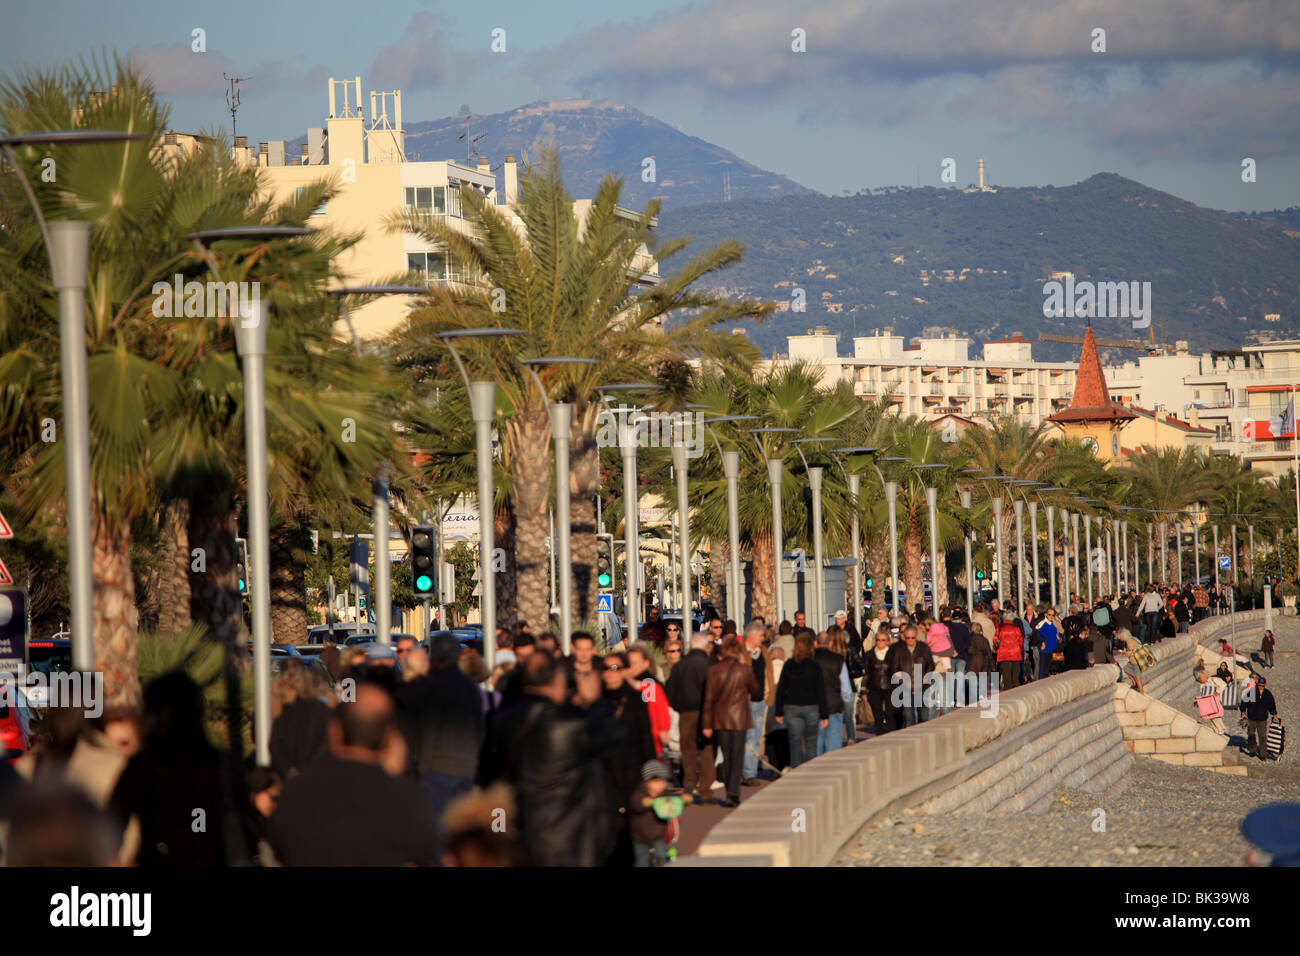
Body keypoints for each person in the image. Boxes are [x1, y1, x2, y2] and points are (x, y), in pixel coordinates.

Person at [269, 681, 436, 866]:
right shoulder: (406, 799)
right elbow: (422, 852)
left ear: (334, 732)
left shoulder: (297, 793)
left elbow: (279, 845)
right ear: (390, 738)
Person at [478, 653, 621, 866]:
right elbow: (614, 737)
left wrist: (498, 828)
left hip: (521, 833)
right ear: (557, 680)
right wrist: (595, 702)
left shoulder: (501, 721)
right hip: (568, 837)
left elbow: (490, 778)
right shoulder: (569, 723)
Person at [109, 673, 255, 867]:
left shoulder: (144, 768)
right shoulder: (223, 766)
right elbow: (250, 827)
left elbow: (109, 827)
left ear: (162, 714)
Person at [394, 633, 486, 850]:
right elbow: (479, 728)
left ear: (434, 657)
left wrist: (423, 767)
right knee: (461, 832)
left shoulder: (434, 687)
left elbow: (429, 730)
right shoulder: (469, 687)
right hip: (465, 768)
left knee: (438, 833)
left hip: (438, 770)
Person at [702, 636, 759, 807]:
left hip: (720, 718)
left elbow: (708, 699)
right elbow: (755, 690)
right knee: (737, 755)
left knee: (726, 755)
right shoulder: (744, 669)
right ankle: (733, 792)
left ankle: (729, 788)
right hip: (740, 717)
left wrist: (706, 724)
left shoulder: (714, 670)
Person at [665, 633, 715, 800]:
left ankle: (689, 783)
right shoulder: (708, 665)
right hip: (705, 712)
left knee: (688, 749)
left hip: (685, 713)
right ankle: (706, 789)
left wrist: (678, 707)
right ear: (705, 647)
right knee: (706, 749)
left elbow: (669, 692)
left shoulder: (680, 666)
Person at [270, 659, 333, 782]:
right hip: (315, 777)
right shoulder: (324, 711)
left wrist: (289, 771)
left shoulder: (284, 711)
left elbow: (275, 745)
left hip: (291, 777)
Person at [773, 632, 828, 767]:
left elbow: (781, 688)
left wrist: (778, 710)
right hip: (811, 706)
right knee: (810, 742)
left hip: (791, 706)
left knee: (795, 741)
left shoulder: (789, 665)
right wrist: (824, 714)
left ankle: (796, 767)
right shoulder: (814, 666)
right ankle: (809, 769)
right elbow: (821, 690)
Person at [741, 623, 773, 785]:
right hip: (745, 702)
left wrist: (769, 694)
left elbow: (769, 674)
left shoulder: (764, 652)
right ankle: (747, 774)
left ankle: (750, 772)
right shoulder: (740, 654)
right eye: (761, 636)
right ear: (751, 636)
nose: (763, 638)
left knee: (756, 738)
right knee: (748, 737)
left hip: (761, 700)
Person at [886, 624, 935, 726]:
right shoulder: (899, 650)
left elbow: (930, 666)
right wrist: (901, 681)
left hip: (922, 687)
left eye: (912, 638)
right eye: (907, 638)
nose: (910, 640)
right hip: (906, 687)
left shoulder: (923, 648)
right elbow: (894, 667)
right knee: (909, 717)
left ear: (916, 637)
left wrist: (925, 681)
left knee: (923, 716)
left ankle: (922, 737)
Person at [628, 760, 672, 867]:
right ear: (647, 783)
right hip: (640, 836)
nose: (660, 785)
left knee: (662, 856)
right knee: (642, 861)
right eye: (656, 782)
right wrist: (646, 802)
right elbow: (636, 804)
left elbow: (673, 803)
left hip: (657, 834)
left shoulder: (664, 794)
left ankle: (661, 863)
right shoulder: (640, 793)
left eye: (663, 782)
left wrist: (680, 801)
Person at [813, 628, 849, 754]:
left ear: (815, 643)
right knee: (833, 747)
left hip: (814, 706)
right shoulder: (838, 659)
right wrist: (845, 700)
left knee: (815, 745)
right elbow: (845, 686)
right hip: (834, 705)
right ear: (830, 644)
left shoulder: (810, 659)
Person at [861, 628, 895, 734]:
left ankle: (891, 733)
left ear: (888, 641)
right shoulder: (870, 655)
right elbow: (866, 672)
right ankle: (880, 734)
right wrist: (863, 689)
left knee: (890, 713)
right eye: (878, 640)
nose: (880, 642)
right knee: (877, 714)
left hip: (890, 687)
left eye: (883, 640)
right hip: (874, 687)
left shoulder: (892, 654)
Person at [1241, 675, 1279, 761]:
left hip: (1262, 719)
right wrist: (1243, 712)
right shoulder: (1251, 692)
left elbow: (1272, 705)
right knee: (1251, 735)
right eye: (1259, 685)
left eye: (1262, 685)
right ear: (1257, 684)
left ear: (1265, 685)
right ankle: (1252, 750)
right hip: (1251, 718)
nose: (1261, 687)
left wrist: (1274, 714)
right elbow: (1244, 702)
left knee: (1262, 737)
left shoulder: (1268, 694)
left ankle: (1263, 754)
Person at [994, 614, 1023, 692]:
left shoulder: (999, 629)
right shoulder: (1016, 628)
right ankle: (1016, 684)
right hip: (1015, 651)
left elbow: (995, 640)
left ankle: (1008, 687)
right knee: (1015, 670)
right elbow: (1020, 640)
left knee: (1005, 671)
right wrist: (1020, 649)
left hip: (1003, 651)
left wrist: (996, 650)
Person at [1036, 608, 1060, 680]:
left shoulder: (1052, 624)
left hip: (1051, 649)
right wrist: (1042, 642)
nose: (1051, 616)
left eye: (1053, 615)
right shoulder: (1042, 623)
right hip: (1044, 649)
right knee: (1043, 668)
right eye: (1049, 615)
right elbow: (1036, 634)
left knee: (1047, 668)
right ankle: (1041, 683)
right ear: (1046, 614)